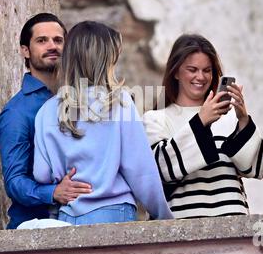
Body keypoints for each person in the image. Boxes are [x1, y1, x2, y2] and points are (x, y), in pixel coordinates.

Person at [33, 21, 174, 225]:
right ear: (104, 61)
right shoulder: (119, 102)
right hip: (114, 213)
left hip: (67, 217)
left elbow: (41, 173)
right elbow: (141, 171)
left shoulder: (46, 111)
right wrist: (164, 217)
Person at [142, 34, 263, 219]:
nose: (200, 77)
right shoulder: (156, 119)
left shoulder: (228, 118)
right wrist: (201, 121)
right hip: (182, 230)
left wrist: (243, 119)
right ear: (176, 72)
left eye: (207, 70)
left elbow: (257, 168)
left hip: (234, 225)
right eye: (192, 69)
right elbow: (159, 171)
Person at [0, 13, 92, 229]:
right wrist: (54, 193)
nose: (52, 46)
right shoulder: (17, 112)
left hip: (79, 222)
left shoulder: (83, 99)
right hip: (35, 232)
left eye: (58, 40)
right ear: (25, 50)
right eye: (42, 40)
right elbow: (14, 181)